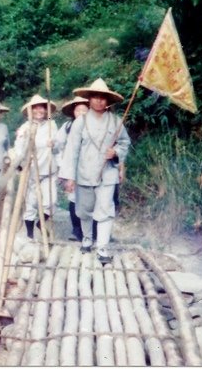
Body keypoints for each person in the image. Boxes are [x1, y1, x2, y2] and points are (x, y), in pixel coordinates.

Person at [59, 78, 131, 265]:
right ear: (89, 99)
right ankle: (87, 238)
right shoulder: (80, 123)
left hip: (107, 174)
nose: (99, 101)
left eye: (103, 98)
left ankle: (103, 248)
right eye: (95, 97)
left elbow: (125, 143)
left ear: (108, 101)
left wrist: (115, 152)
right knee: (85, 210)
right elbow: (72, 150)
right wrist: (69, 177)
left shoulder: (116, 122)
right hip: (84, 173)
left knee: (106, 211)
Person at [12, 94, 60, 239]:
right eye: (35, 108)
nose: (39, 110)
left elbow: (58, 146)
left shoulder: (52, 124)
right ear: (30, 111)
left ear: (46, 111)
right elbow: (18, 148)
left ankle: (41, 223)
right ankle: (30, 234)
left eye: (42, 108)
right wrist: (20, 165)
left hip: (49, 170)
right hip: (32, 170)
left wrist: (54, 144)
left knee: (51, 202)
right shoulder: (24, 128)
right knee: (31, 203)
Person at [57, 96, 90, 241]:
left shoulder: (94, 125)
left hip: (90, 166)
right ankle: (76, 229)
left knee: (91, 199)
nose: (81, 113)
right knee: (74, 198)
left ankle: (91, 231)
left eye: (85, 110)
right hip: (73, 167)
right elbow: (59, 144)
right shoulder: (67, 126)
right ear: (73, 112)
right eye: (78, 110)